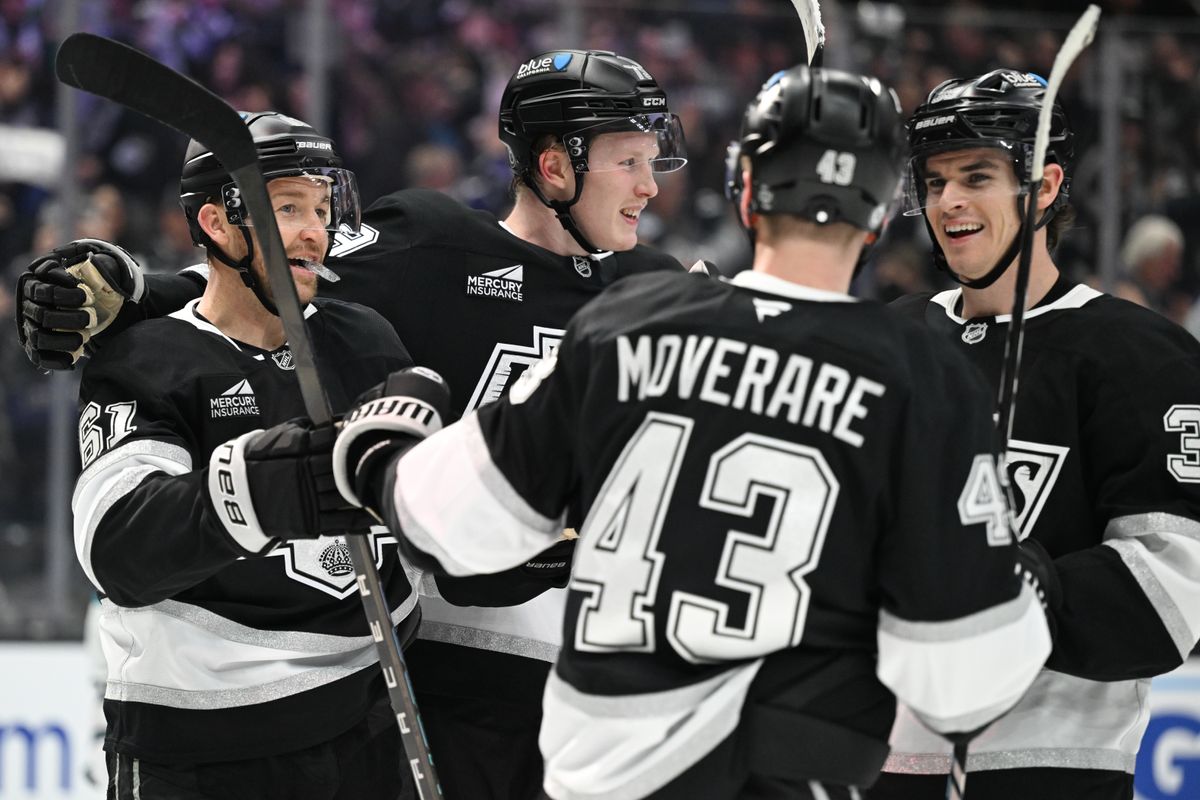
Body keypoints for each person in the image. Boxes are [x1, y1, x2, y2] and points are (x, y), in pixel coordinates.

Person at [329, 64, 1053, 800]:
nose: (649, 185)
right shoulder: (926, 376)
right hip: (792, 772)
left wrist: (381, 456)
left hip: (602, 769)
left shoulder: (628, 323)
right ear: (883, 212)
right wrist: (1011, 574)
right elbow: (964, 682)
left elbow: (448, 525)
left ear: (745, 189)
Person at [16, 50, 688, 799]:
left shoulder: (662, 293)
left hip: (558, 685)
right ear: (556, 165)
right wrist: (143, 292)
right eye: (629, 161)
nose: (650, 185)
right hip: (433, 692)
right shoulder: (423, 251)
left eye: (321, 208)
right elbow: (264, 281)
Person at [870, 68, 1200, 800]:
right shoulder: (887, 340)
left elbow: (1172, 596)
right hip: (876, 763)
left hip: (1050, 769)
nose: (948, 202)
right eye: (935, 182)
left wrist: (1007, 582)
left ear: (1045, 185)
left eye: (977, 177)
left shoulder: (1140, 357)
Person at [69, 111, 417, 800]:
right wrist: (265, 484)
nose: (315, 230)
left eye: (322, 208)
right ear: (217, 225)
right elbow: (119, 546)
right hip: (200, 749)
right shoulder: (148, 359)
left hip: (369, 727)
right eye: (288, 208)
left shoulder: (365, 341)